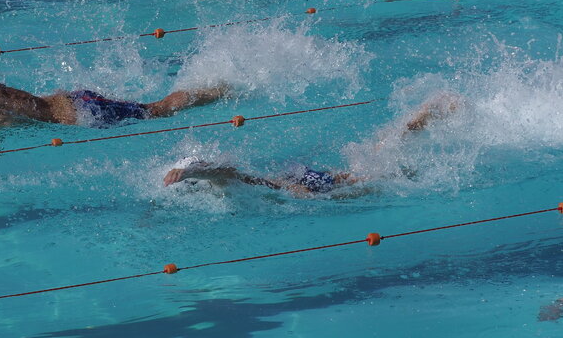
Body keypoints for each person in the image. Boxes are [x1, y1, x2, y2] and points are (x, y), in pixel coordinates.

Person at [0, 57, 231, 153]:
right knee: (149, 107)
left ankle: (220, 88)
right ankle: (215, 86)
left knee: (156, 111)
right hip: (73, 98)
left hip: (82, 117)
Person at [163, 93, 460, 197]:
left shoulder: (224, 184)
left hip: (295, 186)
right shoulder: (224, 185)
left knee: (373, 179)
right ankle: (410, 127)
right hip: (293, 177)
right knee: (361, 171)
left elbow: (224, 172)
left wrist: (188, 172)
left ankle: (411, 130)